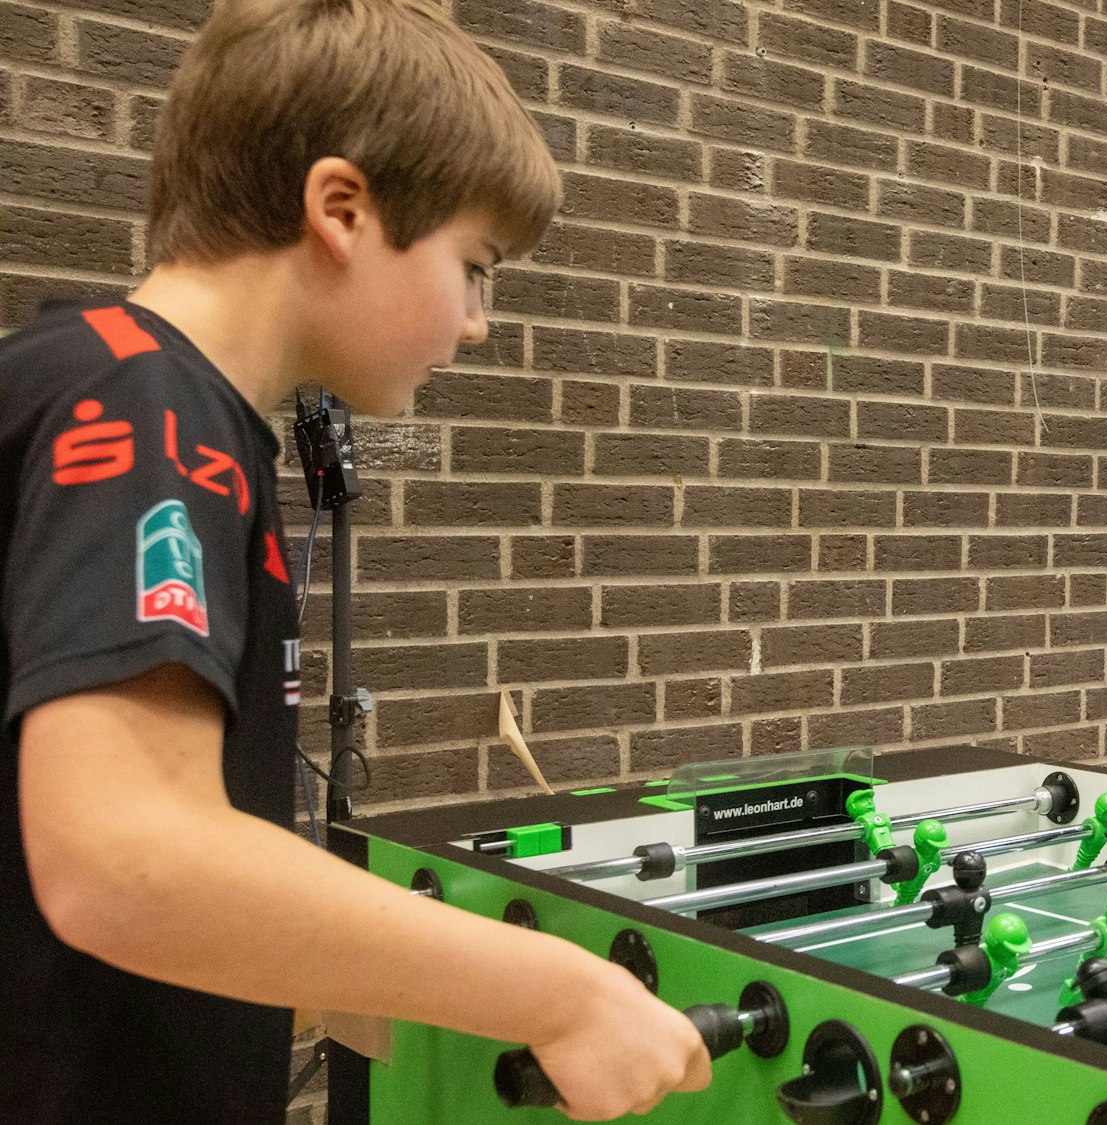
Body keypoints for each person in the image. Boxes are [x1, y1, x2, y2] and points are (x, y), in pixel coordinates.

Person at [1, 1, 708, 1120]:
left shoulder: (142, 397)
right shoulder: (143, 402)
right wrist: (561, 994)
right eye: (473, 266)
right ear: (342, 208)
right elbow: (121, 861)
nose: (477, 321)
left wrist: (348, 974)